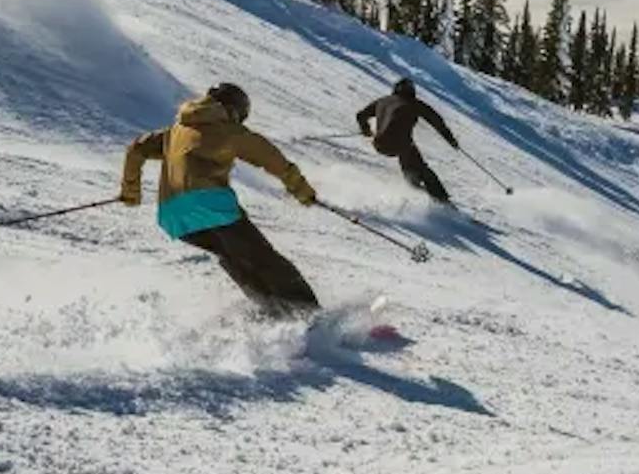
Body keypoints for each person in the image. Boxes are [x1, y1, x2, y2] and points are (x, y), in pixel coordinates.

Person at [120, 82, 322, 318]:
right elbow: (270, 157)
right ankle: (308, 313)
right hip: (209, 203)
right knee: (262, 257)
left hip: (173, 216)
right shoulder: (227, 129)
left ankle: (271, 309)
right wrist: (301, 190)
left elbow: (136, 149)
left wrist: (130, 192)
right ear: (234, 110)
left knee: (234, 256)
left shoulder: (175, 131)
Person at [357, 77, 458, 203]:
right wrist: (450, 139)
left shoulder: (383, 101)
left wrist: (365, 130)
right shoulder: (413, 103)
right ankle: (442, 200)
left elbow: (361, 115)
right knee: (421, 168)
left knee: (408, 155)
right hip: (400, 144)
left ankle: (414, 187)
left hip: (379, 144)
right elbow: (436, 120)